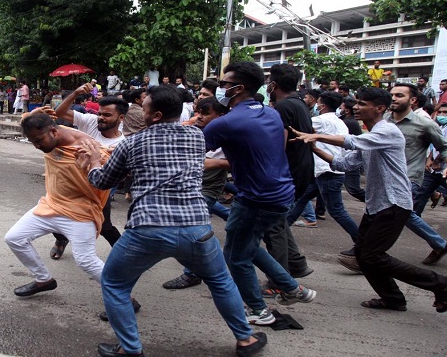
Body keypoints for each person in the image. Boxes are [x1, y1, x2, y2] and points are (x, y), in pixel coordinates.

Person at [81, 85, 267, 357]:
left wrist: (93, 162)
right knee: (220, 280)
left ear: (155, 115)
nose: (138, 111)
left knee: (114, 283)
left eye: (142, 108)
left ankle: (130, 349)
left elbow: (103, 181)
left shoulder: (131, 143)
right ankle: (245, 340)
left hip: (147, 230)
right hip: (196, 228)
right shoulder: (196, 137)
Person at [292, 87, 447, 314]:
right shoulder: (370, 138)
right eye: (356, 103)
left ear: (379, 108)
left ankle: (442, 283)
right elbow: (343, 163)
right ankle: (393, 299)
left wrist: (317, 135)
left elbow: (349, 142)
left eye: (362, 104)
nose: (356, 107)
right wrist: (314, 147)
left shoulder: (387, 131)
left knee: (372, 256)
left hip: (394, 203)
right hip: (377, 204)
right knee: (363, 255)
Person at [203, 61, 317, 326]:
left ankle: (258, 310)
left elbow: (191, 154)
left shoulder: (225, 123)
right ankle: (292, 288)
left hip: (257, 198)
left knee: (236, 256)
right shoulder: (270, 113)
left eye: (224, 85)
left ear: (238, 88)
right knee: (248, 244)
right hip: (280, 192)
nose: (219, 89)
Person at [4, 113, 110, 302]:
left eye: (38, 140)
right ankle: (43, 280)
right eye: (32, 141)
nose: (37, 146)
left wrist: (94, 164)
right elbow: (33, 117)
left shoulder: (88, 148)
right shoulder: (45, 129)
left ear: (53, 131)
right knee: (14, 238)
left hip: (79, 212)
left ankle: (124, 298)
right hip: (51, 205)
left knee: (85, 260)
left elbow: (111, 174)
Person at [46, 83, 128, 260]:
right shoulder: (89, 121)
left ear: (121, 118)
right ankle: (61, 240)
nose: (101, 118)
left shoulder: (122, 144)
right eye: (100, 113)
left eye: (107, 115)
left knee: (105, 225)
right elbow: (59, 113)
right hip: (71, 183)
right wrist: (75, 93)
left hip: (98, 189)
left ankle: (124, 252)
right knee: (57, 215)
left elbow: (120, 174)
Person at [162, 96, 234, 290]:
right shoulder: (197, 131)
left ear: (220, 115)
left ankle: (193, 273)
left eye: (204, 113)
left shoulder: (226, 135)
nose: (199, 117)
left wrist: (203, 163)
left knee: (192, 230)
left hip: (208, 187)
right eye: (198, 112)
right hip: (193, 186)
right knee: (196, 228)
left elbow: (233, 161)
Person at [285, 91, 359, 247]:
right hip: (327, 170)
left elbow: (299, 127)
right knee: (301, 200)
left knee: (337, 210)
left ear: (322, 105)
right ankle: (280, 229)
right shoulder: (340, 122)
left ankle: (361, 241)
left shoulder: (319, 121)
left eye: (318, 102)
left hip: (327, 170)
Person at [264, 63, 315, 280]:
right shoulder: (300, 103)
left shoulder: (284, 107)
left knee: (272, 224)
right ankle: (296, 263)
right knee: (279, 220)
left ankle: (280, 279)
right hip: (301, 170)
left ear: (273, 84)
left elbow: (279, 146)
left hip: (288, 173)